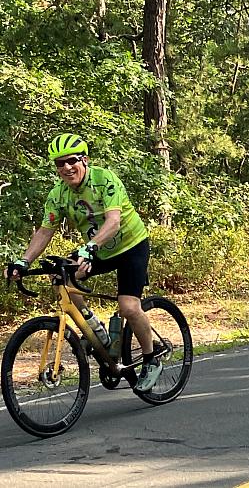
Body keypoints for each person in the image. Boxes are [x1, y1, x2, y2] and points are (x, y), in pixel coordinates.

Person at [5, 133, 162, 392]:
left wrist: (88, 249)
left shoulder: (104, 180)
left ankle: (150, 359)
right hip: (96, 249)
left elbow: (113, 222)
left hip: (130, 246)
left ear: (84, 160)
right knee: (61, 276)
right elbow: (45, 231)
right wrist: (23, 261)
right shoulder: (58, 194)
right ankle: (95, 331)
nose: (66, 167)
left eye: (71, 161)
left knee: (129, 307)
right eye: (59, 163)